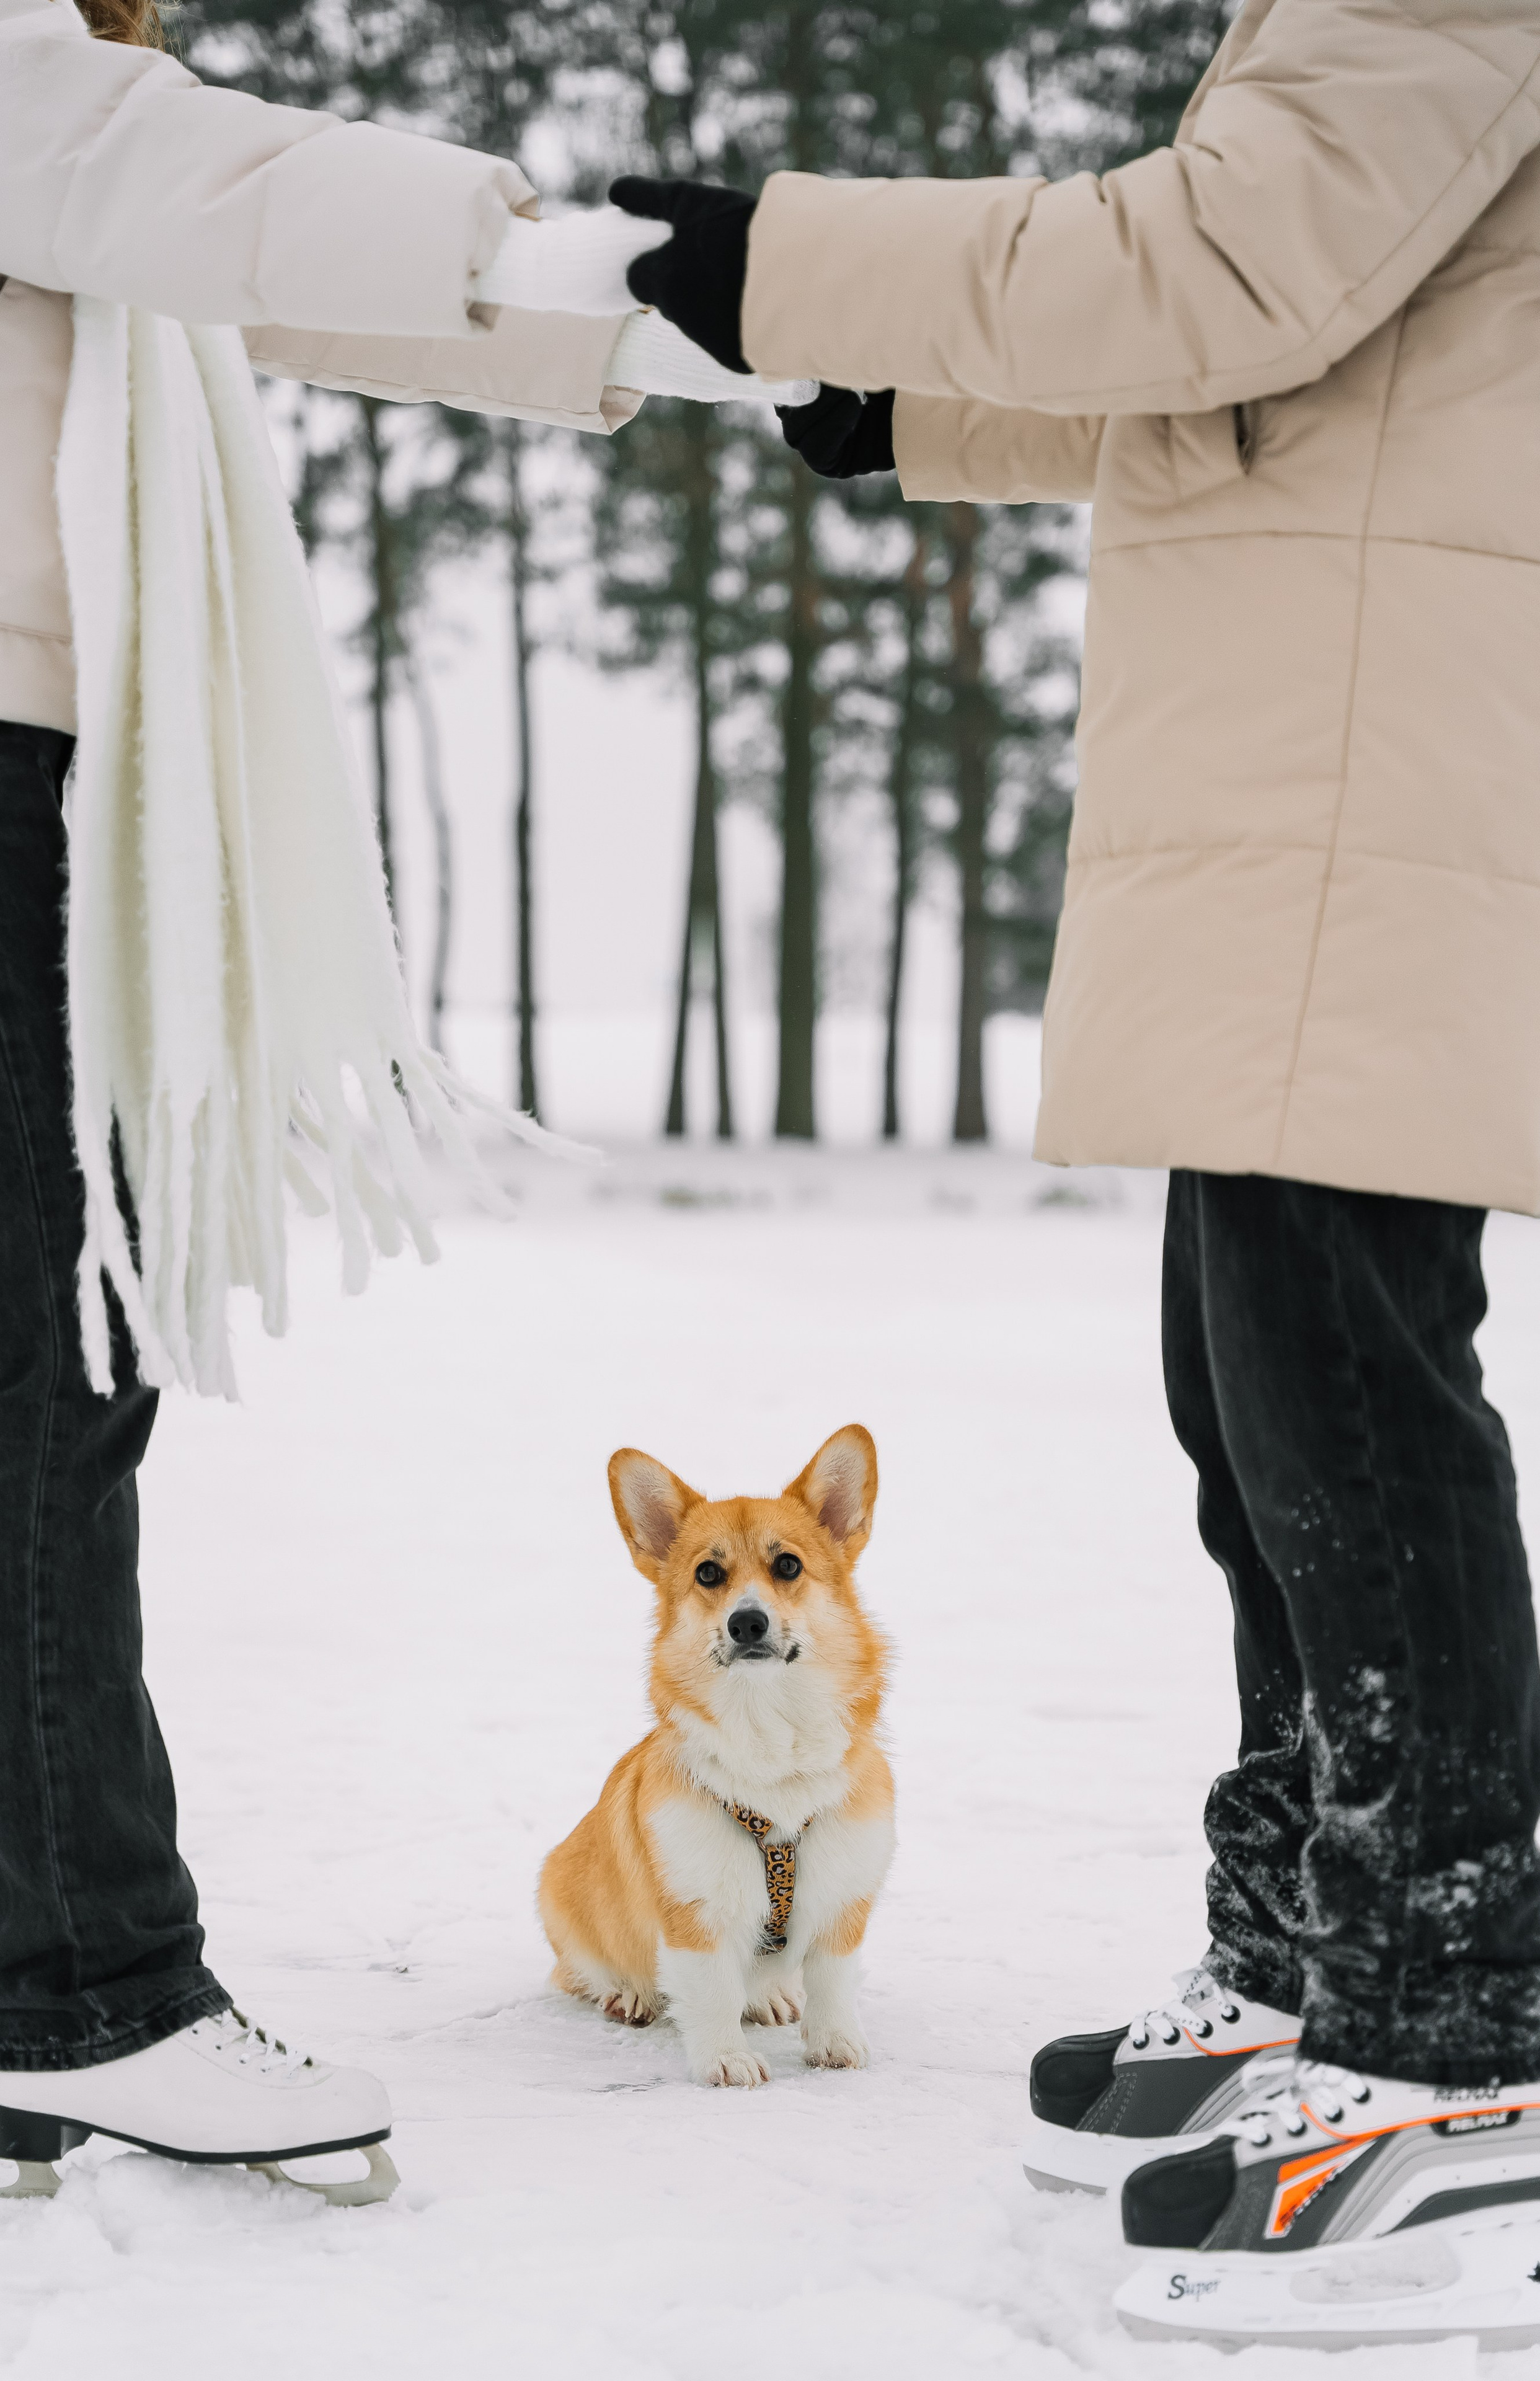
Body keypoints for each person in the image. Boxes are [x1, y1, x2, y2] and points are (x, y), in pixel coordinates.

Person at [606, 0, 1540, 2326]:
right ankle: (1323, 1940)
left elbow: (1217, 267)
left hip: (1373, 779)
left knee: (1353, 1410)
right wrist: (908, 407)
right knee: (1256, 1420)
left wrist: (803, 257)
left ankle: (1469, 2035)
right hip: (1291, 770)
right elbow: (1261, 368)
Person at [0, 0, 771, 2202]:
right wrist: (701, 283)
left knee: (31, 1382)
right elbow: (224, 185)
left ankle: (64, 2010)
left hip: (21, 758)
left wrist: (728, 347)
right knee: (35, 1384)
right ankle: (92, 2004)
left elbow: (277, 272)